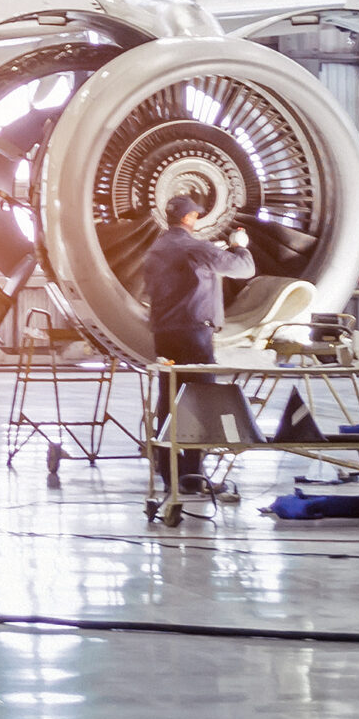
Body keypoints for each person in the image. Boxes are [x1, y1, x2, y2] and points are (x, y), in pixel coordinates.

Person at [143, 192, 255, 496]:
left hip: (164, 335)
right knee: (198, 402)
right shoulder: (195, 247)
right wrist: (239, 247)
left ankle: (169, 476)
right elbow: (243, 270)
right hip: (195, 335)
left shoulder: (156, 248)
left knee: (168, 401)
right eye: (195, 215)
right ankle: (194, 475)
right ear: (188, 218)